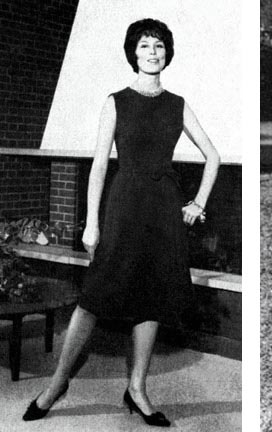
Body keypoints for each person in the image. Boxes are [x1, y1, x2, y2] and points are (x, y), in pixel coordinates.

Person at [23, 18, 220, 427]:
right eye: (146, 46)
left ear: (167, 53)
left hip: (163, 210)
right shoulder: (116, 101)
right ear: (133, 53)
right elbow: (98, 167)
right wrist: (91, 222)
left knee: (152, 297)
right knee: (94, 296)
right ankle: (57, 383)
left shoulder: (177, 104)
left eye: (159, 46)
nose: (153, 52)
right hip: (124, 204)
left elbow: (213, 156)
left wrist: (197, 202)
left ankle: (137, 389)